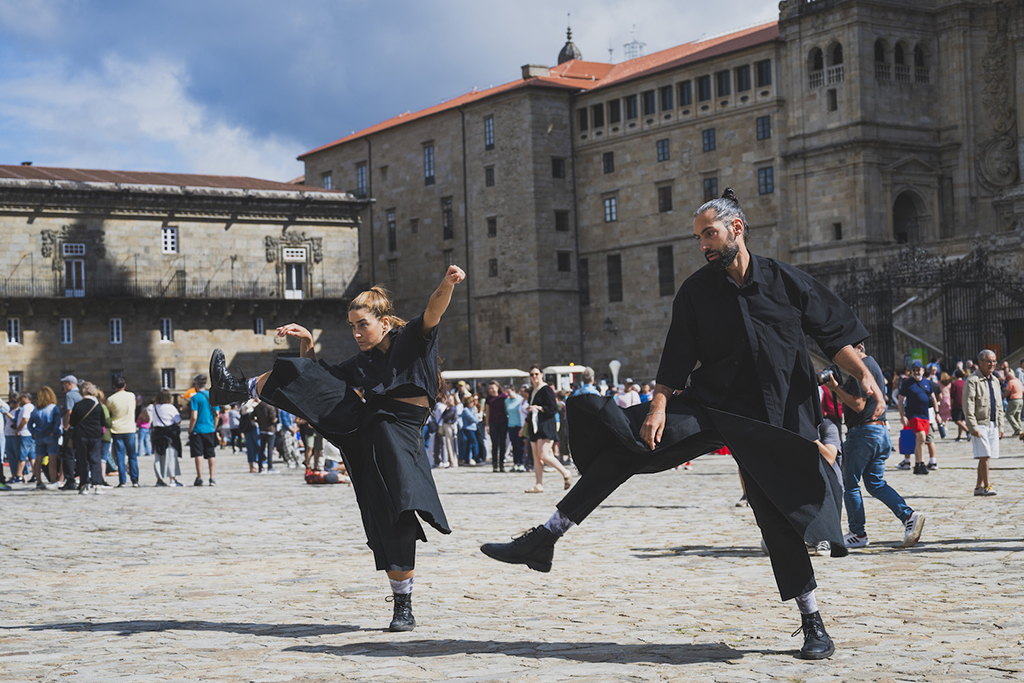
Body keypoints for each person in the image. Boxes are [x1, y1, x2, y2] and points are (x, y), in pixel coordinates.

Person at [480, 188, 884, 660]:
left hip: (775, 419)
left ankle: (813, 622)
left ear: (736, 229)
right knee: (629, 444)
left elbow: (833, 336)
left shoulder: (787, 281)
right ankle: (546, 537)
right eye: (698, 238)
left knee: (776, 517)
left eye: (709, 234)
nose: (703, 245)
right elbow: (677, 354)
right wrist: (657, 407)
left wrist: (862, 375)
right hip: (713, 407)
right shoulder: (696, 291)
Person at [207, 265, 465, 632]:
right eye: (352, 326)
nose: (357, 333)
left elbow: (434, 309)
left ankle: (403, 606)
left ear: (384, 323)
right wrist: (307, 342)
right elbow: (317, 381)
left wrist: (447, 283)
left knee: (393, 521)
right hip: (365, 429)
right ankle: (235, 388)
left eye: (363, 325)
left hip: (399, 441)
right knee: (304, 373)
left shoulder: (412, 340)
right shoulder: (364, 361)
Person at [824, 344, 924, 549]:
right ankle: (909, 516)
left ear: (858, 347)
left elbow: (858, 404)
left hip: (863, 432)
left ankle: (857, 533)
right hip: (879, 431)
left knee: (851, 484)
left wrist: (835, 388)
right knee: (875, 483)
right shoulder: (871, 366)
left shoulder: (862, 367)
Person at [523, 366, 573, 494]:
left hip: (545, 426)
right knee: (536, 457)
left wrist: (539, 408)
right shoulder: (532, 391)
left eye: (536, 374)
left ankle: (565, 472)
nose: (534, 377)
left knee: (544, 455)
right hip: (534, 426)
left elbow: (553, 408)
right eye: (532, 374)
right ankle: (538, 484)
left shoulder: (546, 390)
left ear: (541, 374)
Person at [964, 350, 1003, 496]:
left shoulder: (995, 381)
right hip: (980, 423)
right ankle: (987, 485)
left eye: (994, 361)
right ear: (980, 362)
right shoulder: (972, 381)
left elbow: (999, 405)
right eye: (989, 361)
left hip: (992, 423)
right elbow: (968, 405)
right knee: (985, 455)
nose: (992, 364)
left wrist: (1000, 426)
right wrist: (972, 426)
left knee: (985, 456)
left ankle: (978, 487)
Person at [896, 361, 939, 474]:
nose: (916, 372)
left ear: (923, 371)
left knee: (920, 441)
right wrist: (902, 416)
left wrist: (937, 413)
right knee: (922, 437)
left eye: (918, 370)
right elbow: (900, 400)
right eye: (914, 370)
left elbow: (934, 398)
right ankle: (921, 463)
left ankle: (918, 464)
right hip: (913, 415)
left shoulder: (927, 383)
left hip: (925, 415)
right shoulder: (907, 383)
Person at [69, 382, 105, 494]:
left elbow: (72, 422)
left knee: (83, 461)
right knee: (95, 460)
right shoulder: (98, 406)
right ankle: (97, 485)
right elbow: (103, 421)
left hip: (81, 436)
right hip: (95, 436)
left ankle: (84, 485)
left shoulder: (78, 405)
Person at [107, 376, 140, 487]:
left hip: (117, 429)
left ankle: (122, 481)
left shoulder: (111, 399)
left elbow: (109, 413)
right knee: (132, 455)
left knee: (120, 457)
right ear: (125, 385)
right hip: (129, 428)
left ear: (114, 386)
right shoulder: (131, 396)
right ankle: (135, 480)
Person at [27, 386, 61, 489]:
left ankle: (39, 481)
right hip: (50, 436)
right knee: (52, 459)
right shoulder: (53, 408)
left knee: (38, 459)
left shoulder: (36, 409)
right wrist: (54, 432)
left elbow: (29, 424)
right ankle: (53, 481)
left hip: (39, 436)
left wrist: (33, 432)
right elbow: (57, 422)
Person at [187, 374, 218, 486]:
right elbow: (217, 414)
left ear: (196, 384)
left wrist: (190, 430)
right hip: (210, 429)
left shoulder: (195, 398)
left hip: (198, 430)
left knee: (198, 454)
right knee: (211, 454)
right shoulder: (212, 396)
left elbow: (194, 416)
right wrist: (214, 427)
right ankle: (212, 477)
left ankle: (199, 477)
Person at [150, 389, 183, 487]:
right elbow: (178, 420)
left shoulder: (155, 408)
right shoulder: (171, 407)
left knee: (158, 457)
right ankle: (172, 479)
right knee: (170, 457)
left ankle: (159, 479)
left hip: (157, 434)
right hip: (169, 435)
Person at [59, 375, 83, 490]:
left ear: (69, 384)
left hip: (71, 430)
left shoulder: (70, 395)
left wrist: (66, 426)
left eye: (64, 384)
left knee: (68, 455)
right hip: (80, 429)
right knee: (80, 454)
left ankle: (70, 481)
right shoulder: (81, 394)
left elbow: (69, 412)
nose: (63, 386)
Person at [484, 382, 509, 472]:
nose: (491, 390)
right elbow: (487, 412)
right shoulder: (488, 399)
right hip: (493, 423)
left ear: (497, 387)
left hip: (503, 423)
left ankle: (502, 464)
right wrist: (487, 424)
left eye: (493, 388)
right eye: (490, 388)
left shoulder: (503, 397)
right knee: (494, 444)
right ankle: (494, 464)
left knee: (502, 444)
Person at [12, 393, 35, 483]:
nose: (19, 400)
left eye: (21, 398)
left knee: (22, 456)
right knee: (32, 456)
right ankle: (35, 475)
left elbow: (25, 419)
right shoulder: (32, 406)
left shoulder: (26, 407)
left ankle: (18, 476)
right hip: (31, 434)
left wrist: (17, 429)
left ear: (26, 398)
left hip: (25, 434)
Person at [1002, 369, 1022, 438]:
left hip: (1014, 400)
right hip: (1020, 399)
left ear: (1009, 377)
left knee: (1008, 414)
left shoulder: (1011, 382)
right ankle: (1020, 430)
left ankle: (1017, 428)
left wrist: (1002, 397)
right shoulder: (1018, 380)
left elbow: (1008, 392)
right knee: (1017, 416)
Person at [950, 369, 968, 441]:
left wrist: (951, 405)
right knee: (961, 420)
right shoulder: (965, 383)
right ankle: (959, 436)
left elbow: (952, 395)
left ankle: (967, 431)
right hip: (965, 403)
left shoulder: (954, 384)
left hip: (957, 403)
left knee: (957, 420)